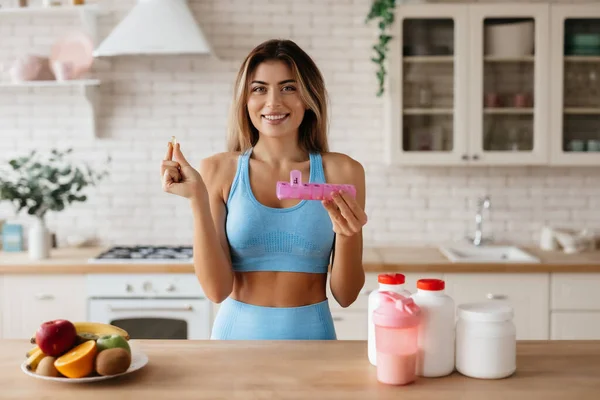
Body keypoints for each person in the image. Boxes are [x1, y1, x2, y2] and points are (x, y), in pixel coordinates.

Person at [160, 39, 368, 340]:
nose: (273, 103)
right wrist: (198, 201)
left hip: (314, 341)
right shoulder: (219, 170)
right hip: (234, 340)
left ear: (308, 97)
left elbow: (346, 296)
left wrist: (349, 234)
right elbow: (216, 291)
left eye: (288, 87)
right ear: (245, 99)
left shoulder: (343, 172)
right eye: (259, 88)